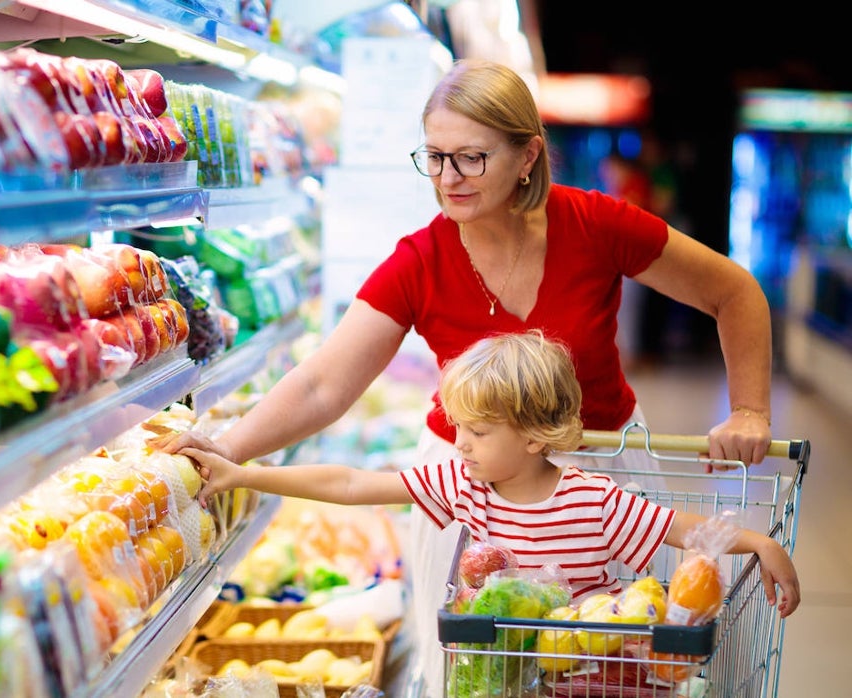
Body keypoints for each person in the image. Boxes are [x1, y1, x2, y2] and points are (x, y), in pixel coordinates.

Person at [153, 57, 776, 694]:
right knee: (480, 675)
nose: (449, 178)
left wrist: (750, 409)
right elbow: (323, 384)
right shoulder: (421, 260)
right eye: (435, 157)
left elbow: (734, 293)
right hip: (474, 491)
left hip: (602, 481)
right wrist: (227, 449)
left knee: (620, 667)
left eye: (472, 158)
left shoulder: (596, 225)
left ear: (527, 154)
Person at [179, 330, 800, 615]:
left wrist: (758, 542)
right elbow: (348, 484)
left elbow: (679, 529)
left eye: (477, 432)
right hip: (495, 676)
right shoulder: (463, 484)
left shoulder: (595, 500)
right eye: (458, 428)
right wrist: (242, 472)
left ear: (534, 437)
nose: (459, 443)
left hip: (580, 675)